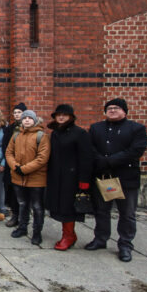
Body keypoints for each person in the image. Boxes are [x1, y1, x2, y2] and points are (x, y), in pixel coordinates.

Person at [86, 98, 147, 262]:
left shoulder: (136, 129)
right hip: (103, 177)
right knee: (101, 211)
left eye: (116, 108)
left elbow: (136, 150)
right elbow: (89, 148)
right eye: (109, 108)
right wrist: (100, 160)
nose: (112, 110)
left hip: (126, 178)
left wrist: (110, 160)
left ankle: (125, 245)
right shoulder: (96, 128)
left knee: (127, 213)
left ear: (124, 111)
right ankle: (100, 239)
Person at [46, 104, 93, 251]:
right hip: (56, 177)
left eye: (64, 115)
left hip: (71, 179)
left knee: (68, 208)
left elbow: (86, 158)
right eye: (58, 115)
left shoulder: (80, 133)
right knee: (59, 207)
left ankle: (68, 236)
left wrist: (84, 181)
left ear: (71, 117)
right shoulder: (54, 133)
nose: (61, 117)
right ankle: (68, 234)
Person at [5, 110, 50, 245]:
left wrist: (24, 169)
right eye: (25, 118)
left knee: (37, 206)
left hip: (36, 178)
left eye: (30, 118)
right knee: (22, 204)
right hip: (18, 177)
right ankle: (22, 227)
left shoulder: (42, 136)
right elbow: (9, 153)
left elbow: (42, 158)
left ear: (35, 120)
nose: (27, 120)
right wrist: (15, 166)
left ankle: (37, 232)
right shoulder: (16, 135)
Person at [2, 102, 26, 227]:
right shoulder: (9, 129)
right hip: (11, 165)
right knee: (11, 191)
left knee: (24, 194)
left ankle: (24, 218)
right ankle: (15, 215)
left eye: (19, 112)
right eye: (15, 112)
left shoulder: (28, 128)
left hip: (25, 166)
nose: (17, 115)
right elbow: (6, 147)